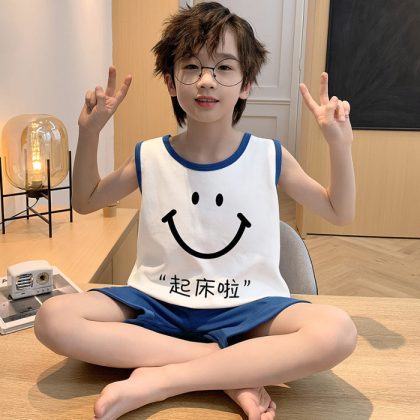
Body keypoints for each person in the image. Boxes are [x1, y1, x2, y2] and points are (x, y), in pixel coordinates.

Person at [34, 2, 357, 420]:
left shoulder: (268, 156)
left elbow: (338, 211)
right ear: (171, 82)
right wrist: (90, 133)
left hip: (248, 307)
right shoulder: (150, 155)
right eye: (191, 66)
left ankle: (163, 379)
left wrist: (339, 144)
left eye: (224, 67)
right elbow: (87, 200)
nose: (206, 80)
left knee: (337, 331)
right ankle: (231, 371)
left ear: (246, 84)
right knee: (52, 318)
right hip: (158, 302)